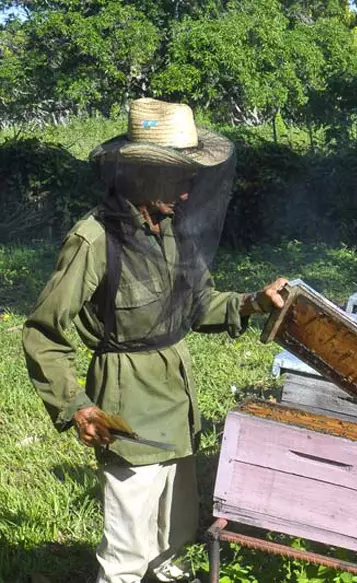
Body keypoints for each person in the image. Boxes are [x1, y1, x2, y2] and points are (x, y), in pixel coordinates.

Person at [22, 98, 287, 583]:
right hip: (128, 408)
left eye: (190, 179)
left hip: (177, 400)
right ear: (142, 175)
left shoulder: (170, 232)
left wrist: (252, 301)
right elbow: (43, 331)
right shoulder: (93, 240)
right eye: (178, 179)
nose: (187, 194)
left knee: (173, 536)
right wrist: (76, 405)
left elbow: (197, 305)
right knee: (128, 549)